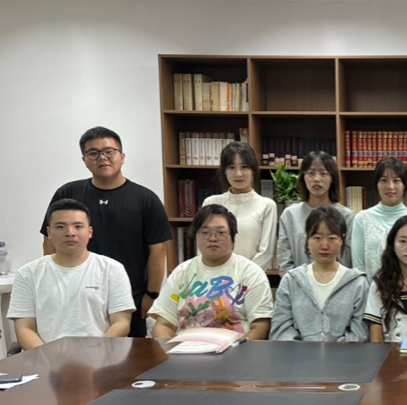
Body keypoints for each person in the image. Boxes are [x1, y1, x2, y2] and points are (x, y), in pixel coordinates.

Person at [40, 126, 171, 338]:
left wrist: (151, 295)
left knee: (127, 357)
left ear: (122, 156)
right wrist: (54, 285)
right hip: (74, 298)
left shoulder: (146, 199)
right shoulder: (68, 193)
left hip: (130, 299)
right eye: (93, 153)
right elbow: (50, 241)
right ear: (84, 159)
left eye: (109, 151)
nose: (102, 158)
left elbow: (158, 250)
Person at [10, 199, 135, 350]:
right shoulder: (28, 273)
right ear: (49, 232)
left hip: (101, 356)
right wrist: (48, 358)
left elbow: (121, 323)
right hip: (46, 358)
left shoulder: (112, 269)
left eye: (78, 226)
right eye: (60, 227)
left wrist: (94, 353)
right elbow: (25, 329)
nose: (70, 233)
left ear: (89, 232)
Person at [149, 205, 273, 340]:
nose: (213, 238)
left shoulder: (251, 273)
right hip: (185, 349)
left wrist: (238, 350)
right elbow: (164, 324)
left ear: (234, 238)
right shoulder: (182, 272)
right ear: (195, 236)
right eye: (205, 232)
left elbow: (260, 326)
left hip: (235, 349)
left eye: (221, 232)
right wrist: (171, 349)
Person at [270, 206, 369, 342]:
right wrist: (302, 351)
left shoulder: (358, 283)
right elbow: (280, 329)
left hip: (344, 355)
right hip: (297, 354)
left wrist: (336, 351)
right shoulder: (291, 280)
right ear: (307, 239)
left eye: (332, 238)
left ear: (342, 240)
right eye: (317, 238)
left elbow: (360, 332)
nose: (324, 245)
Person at [278, 151, 354, 277]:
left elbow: (350, 259)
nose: (317, 179)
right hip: (299, 284)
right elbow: (284, 260)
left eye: (323, 173)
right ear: (303, 177)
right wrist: (295, 284)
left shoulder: (347, 216)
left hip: (339, 284)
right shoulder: (290, 215)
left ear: (332, 178)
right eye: (311, 173)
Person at [203, 142, 277, 270]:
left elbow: (266, 253)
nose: (238, 174)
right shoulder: (211, 203)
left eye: (244, 167)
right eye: (231, 167)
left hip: (251, 278)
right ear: (224, 171)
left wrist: (243, 277)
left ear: (253, 170)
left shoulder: (266, 205)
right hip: (215, 277)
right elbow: (203, 245)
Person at [351, 157, 407, 278]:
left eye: (396, 180)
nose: (390, 186)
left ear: (404, 184)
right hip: (370, 288)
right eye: (384, 180)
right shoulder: (362, 219)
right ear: (376, 184)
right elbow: (358, 268)